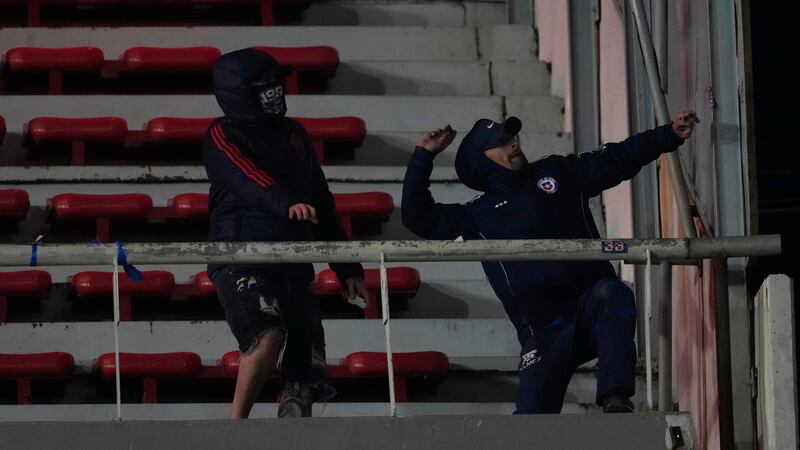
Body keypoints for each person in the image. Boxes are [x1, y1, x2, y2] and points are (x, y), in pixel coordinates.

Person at [401, 111, 698, 413]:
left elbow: (616, 159)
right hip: (542, 335)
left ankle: (615, 401)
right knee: (532, 427)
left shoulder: (557, 172)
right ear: (480, 161)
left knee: (613, 291)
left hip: (590, 311)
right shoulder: (475, 216)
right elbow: (418, 218)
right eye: (501, 142)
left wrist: (668, 135)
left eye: (511, 136)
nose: (512, 142)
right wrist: (424, 156)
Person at [203, 48, 368, 419]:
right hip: (241, 257)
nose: (274, 90)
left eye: (276, 82)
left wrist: (347, 269)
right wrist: (286, 202)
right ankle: (234, 426)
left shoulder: (295, 133)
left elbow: (322, 203)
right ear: (239, 91)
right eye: (263, 84)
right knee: (266, 334)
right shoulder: (221, 134)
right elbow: (246, 178)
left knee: (304, 376)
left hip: (293, 264)